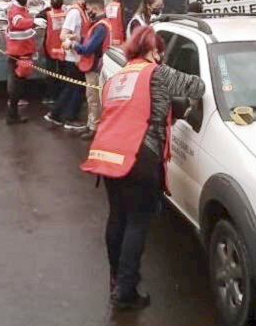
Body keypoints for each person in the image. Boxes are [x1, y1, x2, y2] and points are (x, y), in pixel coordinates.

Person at [81, 26, 205, 310]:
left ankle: (116, 281)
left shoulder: (116, 78)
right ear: (153, 50)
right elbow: (197, 87)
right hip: (139, 152)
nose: (160, 56)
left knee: (118, 218)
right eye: (159, 51)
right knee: (138, 221)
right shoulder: (157, 72)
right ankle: (126, 292)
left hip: (107, 151)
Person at [45, 0, 94, 130]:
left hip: (78, 55)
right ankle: (70, 118)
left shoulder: (81, 11)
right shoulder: (75, 13)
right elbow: (63, 35)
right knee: (76, 88)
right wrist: (74, 40)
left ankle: (55, 114)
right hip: (74, 56)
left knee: (72, 87)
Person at [67, 0, 112, 140]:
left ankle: (94, 129)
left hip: (94, 67)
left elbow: (88, 49)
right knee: (90, 97)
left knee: (93, 100)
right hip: (93, 66)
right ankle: (90, 124)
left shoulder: (101, 26)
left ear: (94, 8)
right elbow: (89, 42)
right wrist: (79, 39)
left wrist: (73, 45)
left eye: (89, 9)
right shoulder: (101, 24)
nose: (88, 12)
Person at [5, 0, 37, 125]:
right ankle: (12, 116)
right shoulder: (14, 10)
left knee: (19, 85)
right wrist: (34, 22)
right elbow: (18, 23)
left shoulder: (24, 9)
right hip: (17, 53)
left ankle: (13, 115)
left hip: (24, 51)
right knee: (16, 86)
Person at [41, 0, 66, 105]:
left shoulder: (47, 14)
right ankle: (62, 94)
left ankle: (50, 96)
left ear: (51, 4)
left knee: (50, 73)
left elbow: (37, 17)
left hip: (50, 48)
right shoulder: (66, 13)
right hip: (63, 47)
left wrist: (46, 8)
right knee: (63, 73)